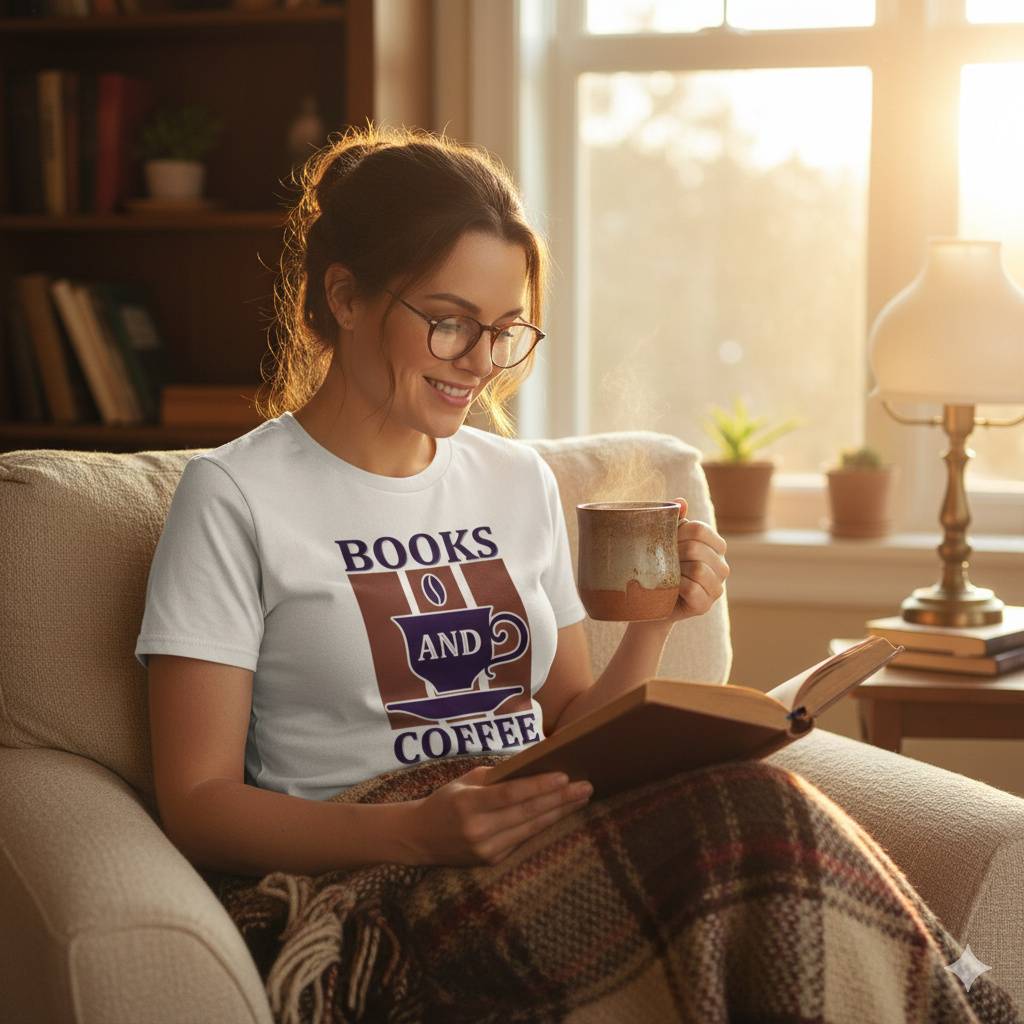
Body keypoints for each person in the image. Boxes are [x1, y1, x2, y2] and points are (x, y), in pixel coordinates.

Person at [135, 124, 1019, 1023]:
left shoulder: (514, 481)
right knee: (745, 834)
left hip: (546, 826)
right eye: (448, 323)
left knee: (759, 801)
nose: (479, 363)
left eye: (504, 330)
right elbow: (198, 803)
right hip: (377, 878)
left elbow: (569, 722)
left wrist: (654, 623)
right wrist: (413, 828)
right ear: (346, 296)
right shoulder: (235, 495)